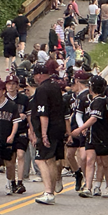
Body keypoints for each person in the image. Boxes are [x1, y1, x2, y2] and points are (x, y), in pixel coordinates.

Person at [69, 75, 108, 198]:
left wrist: (80, 128)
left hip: (102, 135)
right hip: (91, 134)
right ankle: (88, 187)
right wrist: (84, 129)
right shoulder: (90, 100)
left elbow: (94, 118)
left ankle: (107, 186)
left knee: (104, 161)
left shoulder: (101, 100)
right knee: (90, 160)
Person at [31, 64, 67, 205]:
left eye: (35, 75)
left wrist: (43, 134)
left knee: (41, 159)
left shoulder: (42, 90)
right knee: (51, 160)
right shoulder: (55, 86)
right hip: (59, 127)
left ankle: (48, 191)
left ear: (39, 75)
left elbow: (43, 113)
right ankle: (51, 190)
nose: (35, 78)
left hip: (49, 129)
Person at [5, 75, 30, 194]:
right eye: (9, 84)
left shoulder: (23, 99)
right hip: (7, 132)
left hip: (21, 130)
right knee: (10, 160)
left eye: (13, 84)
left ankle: (20, 182)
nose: (11, 86)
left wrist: (31, 129)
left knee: (20, 155)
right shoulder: (3, 99)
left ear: (17, 86)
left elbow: (29, 115)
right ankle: (12, 182)